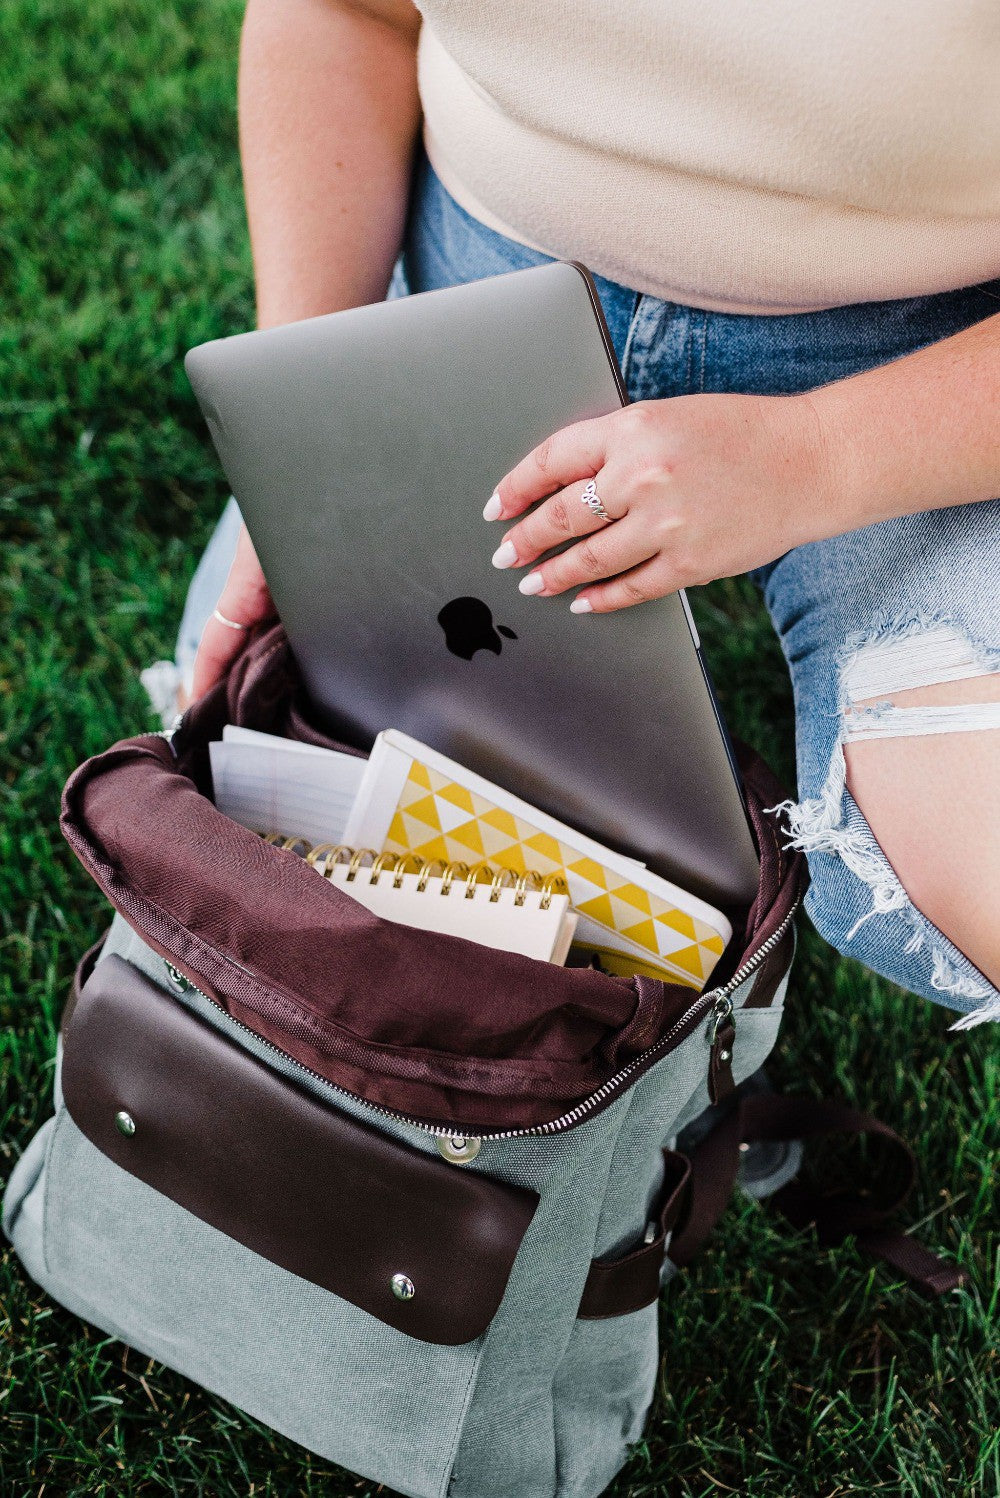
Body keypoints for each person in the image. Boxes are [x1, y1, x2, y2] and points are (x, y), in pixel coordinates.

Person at [178, 0, 1000, 1023]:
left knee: (975, 857)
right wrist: (300, 420)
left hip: (926, 339)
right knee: (257, 738)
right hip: (495, 267)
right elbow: (344, 11)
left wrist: (815, 457)